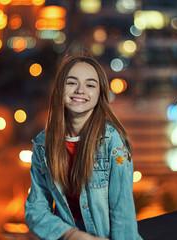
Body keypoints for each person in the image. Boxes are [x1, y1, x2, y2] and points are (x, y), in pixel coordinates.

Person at [25, 49, 143, 240]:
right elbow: (36, 210)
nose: (80, 90)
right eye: (72, 83)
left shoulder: (113, 142)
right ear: (59, 89)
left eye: (90, 85)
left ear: (99, 95)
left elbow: (123, 213)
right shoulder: (43, 145)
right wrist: (73, 235)